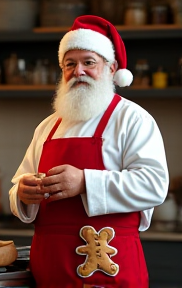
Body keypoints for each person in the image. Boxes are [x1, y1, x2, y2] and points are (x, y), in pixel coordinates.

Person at [9, 15, 169, 288]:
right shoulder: (48, 126)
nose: (78, 71)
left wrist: (84, 182)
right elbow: (18, 184)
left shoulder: (132, 119)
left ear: (111, 68)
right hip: (49, 267)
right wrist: (23, 194)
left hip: (107, 266)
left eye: (89, 62)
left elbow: (154, 186)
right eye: (70, 64)